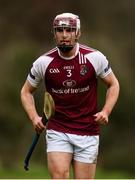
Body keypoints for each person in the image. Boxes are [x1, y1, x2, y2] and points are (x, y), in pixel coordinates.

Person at [21, 12, 120, 179]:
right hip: (58, 129)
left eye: (69, 30)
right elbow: (26, 91)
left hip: (88, 131)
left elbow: (113, 84)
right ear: (54, 33)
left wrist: (106, 111)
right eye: (59, 30)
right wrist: (34, 117)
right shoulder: (43, 62)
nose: (64, 35)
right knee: (59, 176)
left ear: (78, 33)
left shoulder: (94, 58)